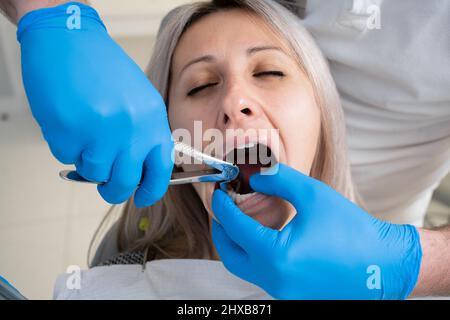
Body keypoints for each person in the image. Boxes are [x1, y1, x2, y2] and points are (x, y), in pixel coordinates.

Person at [54, 0, 357, 299]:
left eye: (269, 72)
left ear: (322, 110)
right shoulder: (122, 264)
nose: (234, 102)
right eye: (201, 85)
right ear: (168, 132)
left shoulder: (372, 269)